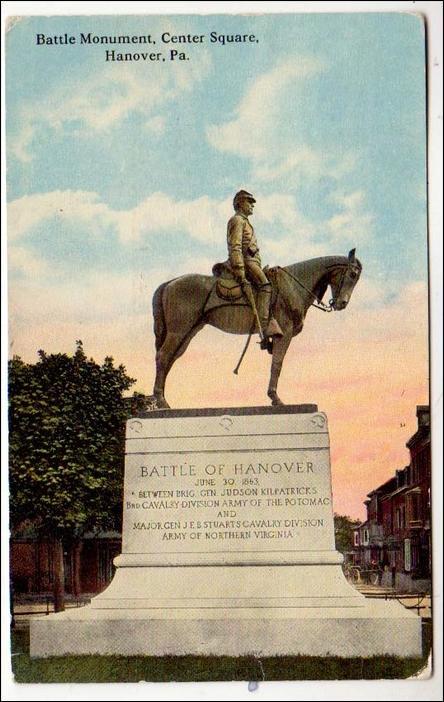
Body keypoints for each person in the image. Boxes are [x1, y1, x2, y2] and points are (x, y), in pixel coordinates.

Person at [227, 190, 283, 350]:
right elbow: (235, 246)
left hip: (254, 263)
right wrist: (239, 269)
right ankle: (264, 328)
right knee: (266, 286)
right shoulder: (237, 220)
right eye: (249, 202)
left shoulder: (245, 221)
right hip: (246, 262)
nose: (252, 205)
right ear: (239, 203)